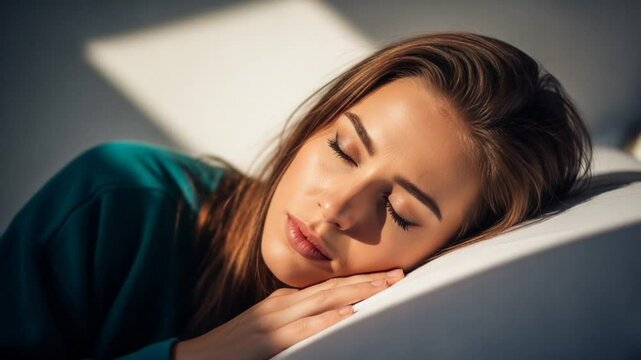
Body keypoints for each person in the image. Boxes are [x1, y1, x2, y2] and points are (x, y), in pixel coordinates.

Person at [0, 32, 592, 359]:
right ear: (317, 122)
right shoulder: (115, 196)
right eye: (342, 149)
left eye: (398, 210)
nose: (336, 208)